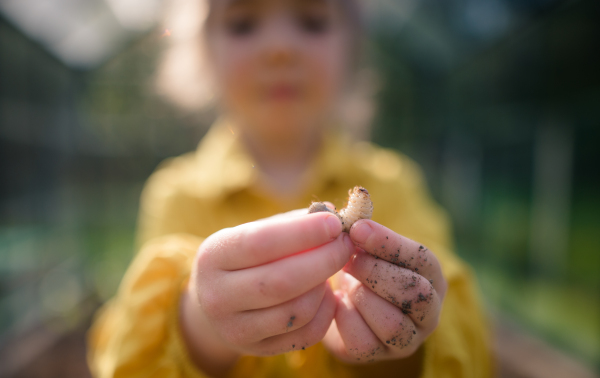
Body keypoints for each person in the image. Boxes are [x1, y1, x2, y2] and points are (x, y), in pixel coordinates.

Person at [87, 0, 493, 377]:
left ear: (351, 51)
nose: (279, 49)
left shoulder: (396, 183)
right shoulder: (176, 193)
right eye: (243, 24)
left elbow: (464, 340)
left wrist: (409, 340)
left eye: (312, 22)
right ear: (204, 54)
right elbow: (126, 356)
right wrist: (199, 325)